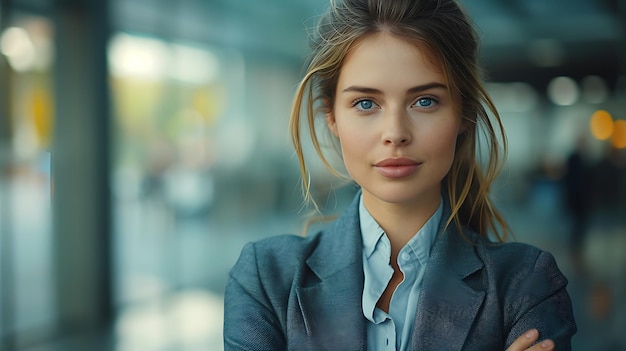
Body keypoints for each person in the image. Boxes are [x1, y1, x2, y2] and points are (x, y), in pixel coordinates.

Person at [224, 0, 577, 350]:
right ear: (331, 116)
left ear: (464, 113)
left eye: (424, 101)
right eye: (366, 103)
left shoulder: (526, 284)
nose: (395, 132)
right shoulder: (266, 279)